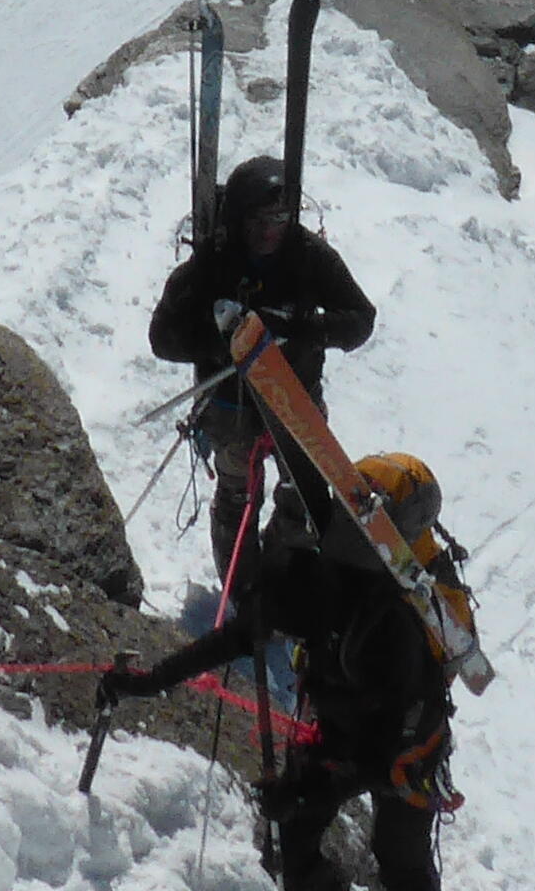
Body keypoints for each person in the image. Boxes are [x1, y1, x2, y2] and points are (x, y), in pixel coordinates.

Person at [102, 450, 464, 891]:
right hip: (347, 727)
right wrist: (152, 680)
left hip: (404, 745)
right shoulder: (324, 578)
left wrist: (310, 792)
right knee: (294, 830)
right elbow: (239, 636)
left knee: (399, 856)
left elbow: (380, 750)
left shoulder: (398, 625)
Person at [144, 153, 377, 603]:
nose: (270, 231)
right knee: (237, 499)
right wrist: (225, 343)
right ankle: (244, 592)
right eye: (258, 220)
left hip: (297, 403)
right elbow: (162, 338)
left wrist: (300, 329)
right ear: (237, 217)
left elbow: (360, 319)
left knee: (302, 497)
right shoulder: (212, 264)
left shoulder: (308, 255)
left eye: (279, 219)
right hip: (232, 409)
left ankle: (285, 581)